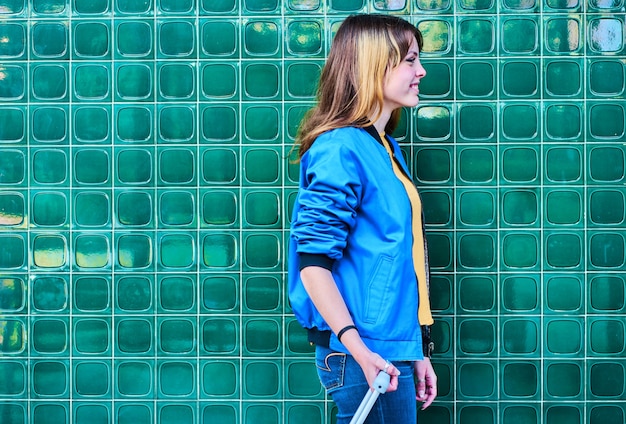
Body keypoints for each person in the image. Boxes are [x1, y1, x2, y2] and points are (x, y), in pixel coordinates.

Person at [288, 13, 437, 424]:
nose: (420, 71)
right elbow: (313, 266)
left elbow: (394, 260)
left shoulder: (384, 146)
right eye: (410, 60)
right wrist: (359, 349)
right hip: (363, 353)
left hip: (388, 348)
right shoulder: (341, 148)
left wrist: (416, 349)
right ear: (374, 64)